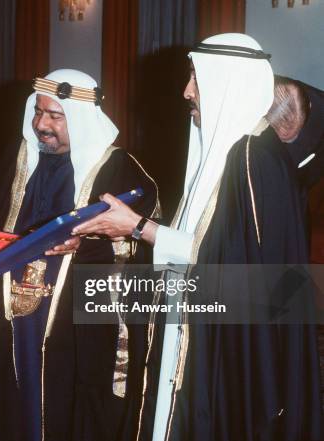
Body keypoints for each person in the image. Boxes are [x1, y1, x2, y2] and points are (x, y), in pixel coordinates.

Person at [73, 33, 322, 440]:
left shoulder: (253, 159)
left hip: (231, 346)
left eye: (196, 78)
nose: (186, 91)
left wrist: (138, 227)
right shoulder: (234, 151)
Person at [0, 69, 160, 441]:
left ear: (80, 119)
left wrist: (85, 244)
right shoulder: (17, 156)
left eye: (55, 116)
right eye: (38, 112)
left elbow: (141, 245)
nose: (42, 124)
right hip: (3, 312)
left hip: (73, 322)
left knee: (66, 404)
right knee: (1, 398)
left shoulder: (121, 171)